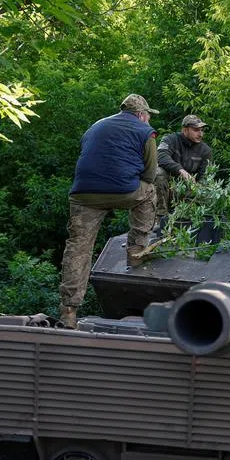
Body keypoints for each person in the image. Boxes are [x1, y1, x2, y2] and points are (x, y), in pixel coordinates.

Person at [58, 94, 160, 329]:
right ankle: (136, 251)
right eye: (147, 116)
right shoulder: (146, 131)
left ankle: (69, 312)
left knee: (79, 248)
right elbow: (150, 174)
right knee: (150, 191)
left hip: (84, 194)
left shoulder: (95, 126)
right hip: (124, 190)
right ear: (142, 115)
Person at [156, 114, 213, 213]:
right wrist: (181, 171)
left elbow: (205, 177)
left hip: (189, 191)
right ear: (185, 130)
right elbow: (161, 157)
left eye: (202, 130)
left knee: (209, 191)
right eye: (196, 130)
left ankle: (198, 219)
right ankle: (160, 216)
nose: (200, 134)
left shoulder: (206, 150)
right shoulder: (170, 140)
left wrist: (198, 188)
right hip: (168, 187)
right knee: (158, 172)